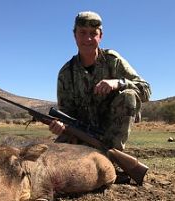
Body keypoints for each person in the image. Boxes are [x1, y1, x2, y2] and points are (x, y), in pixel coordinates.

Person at [49, 11, 151, 151]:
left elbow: (146, 90)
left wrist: (118, 83)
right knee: (54, 161)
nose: (88, 39)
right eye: (82, 32)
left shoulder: (113, 60)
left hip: (110, 135)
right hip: (81, 133)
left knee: (129, 95)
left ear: (100, 36)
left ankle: (113, 153)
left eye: (93, 33)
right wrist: (60, 126)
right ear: (75, 35)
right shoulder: (66, 73)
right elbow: (66, 114)